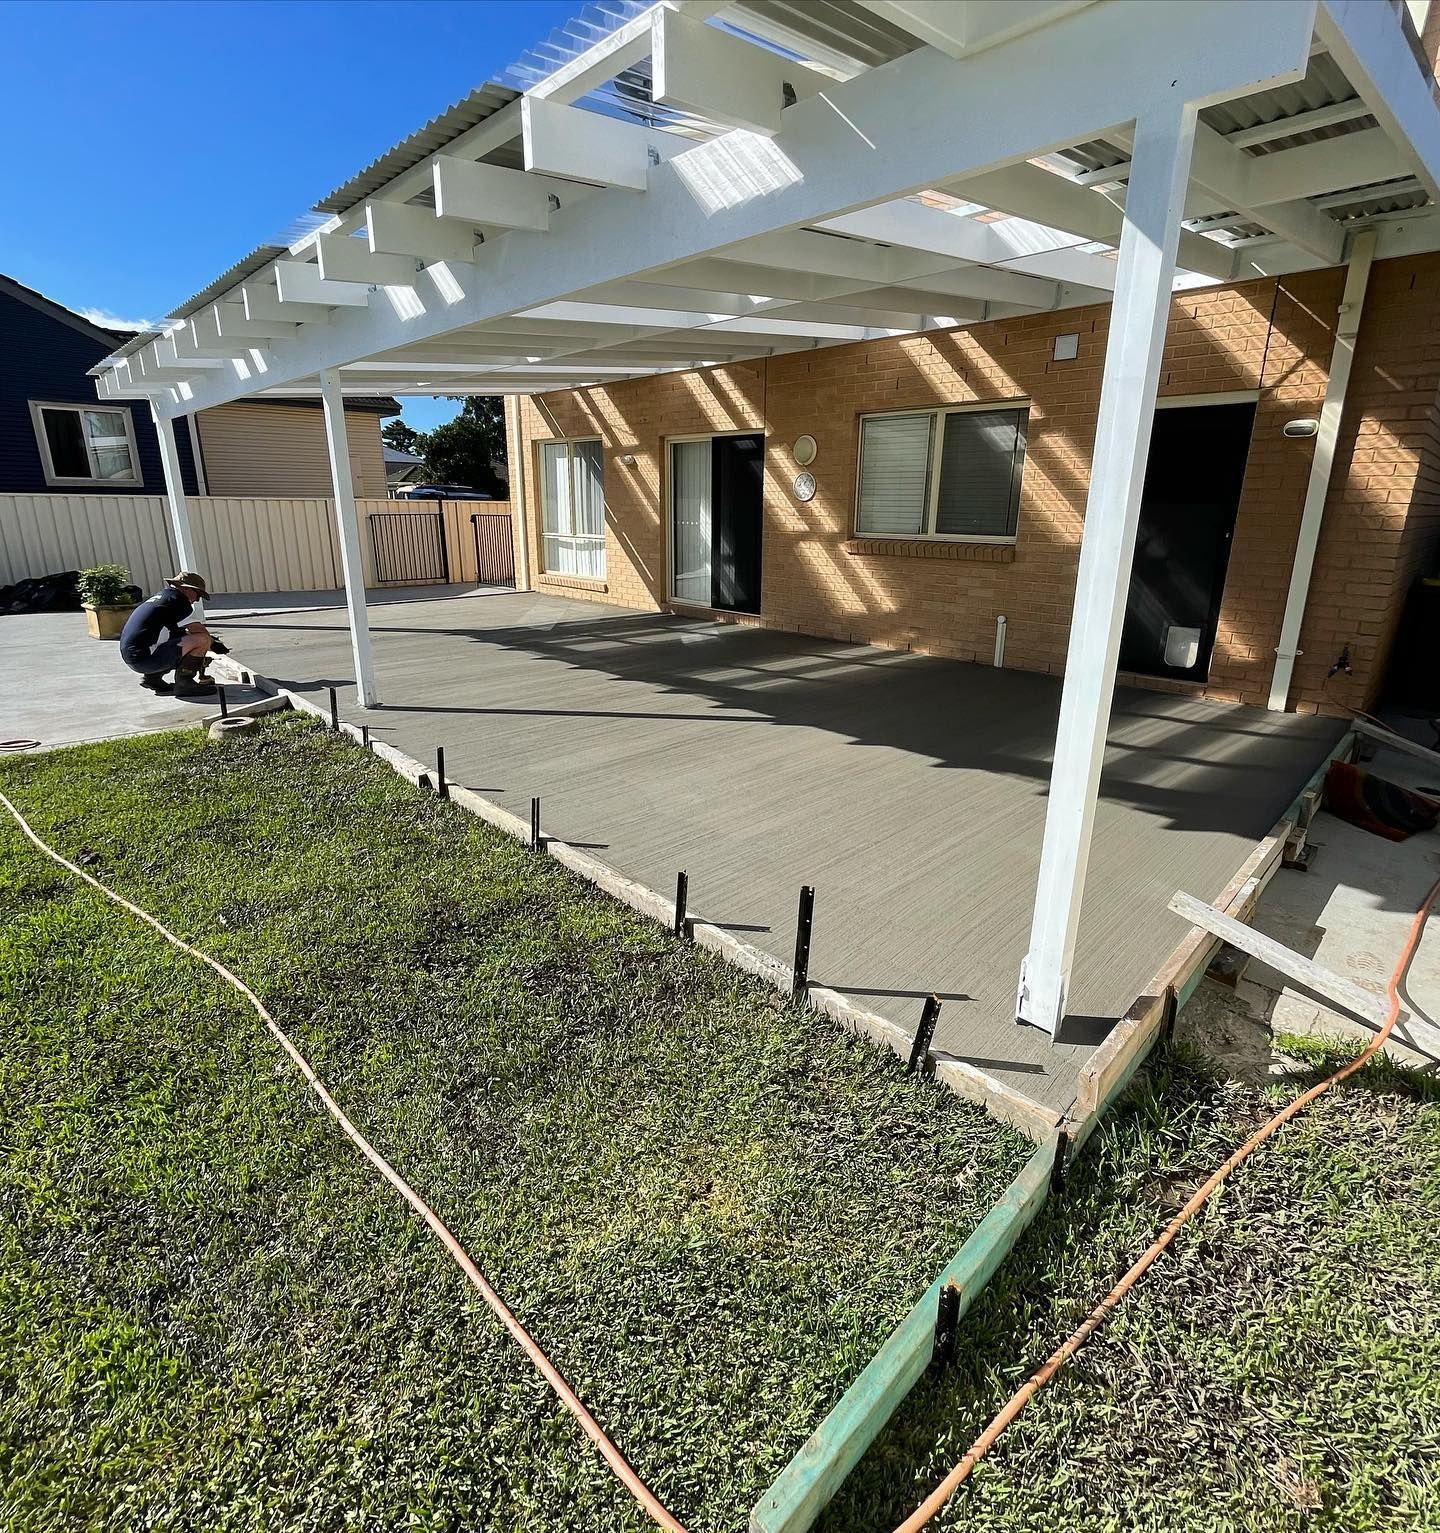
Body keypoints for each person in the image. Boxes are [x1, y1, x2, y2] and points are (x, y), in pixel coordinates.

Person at [119, 571, 218, 698]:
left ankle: (152, 679)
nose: (197, 599)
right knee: (203, 640)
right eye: (197, 594)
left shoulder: (162, 598)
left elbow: (173, 633)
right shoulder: (178, 601)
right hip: (146, 659)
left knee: (177, 640)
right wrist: (212, 646)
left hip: (133, 658)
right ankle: (185, 684)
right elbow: (199, 632)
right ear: (187, 589)